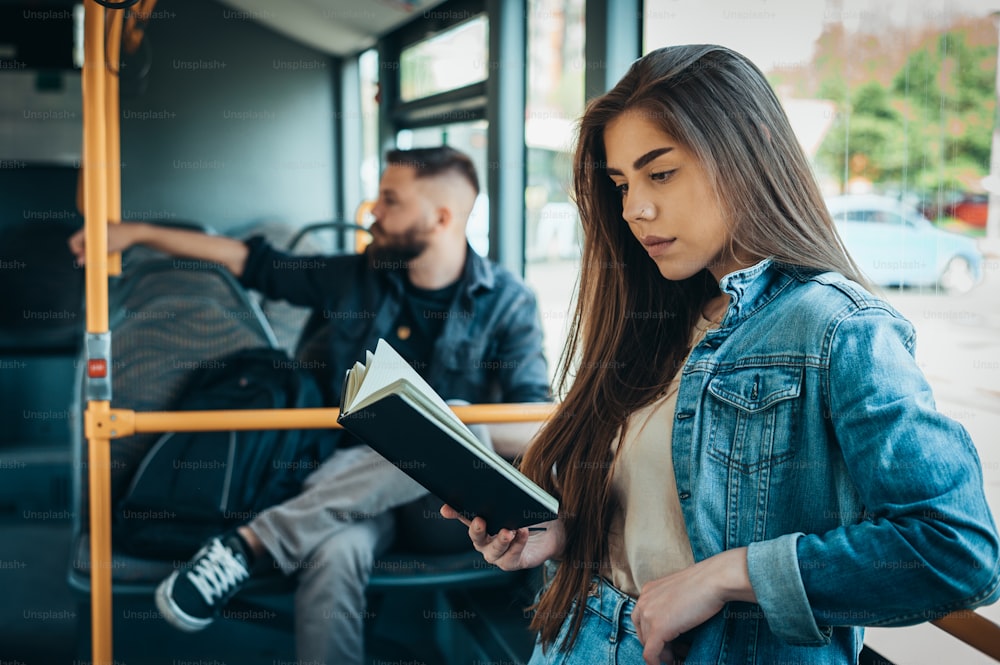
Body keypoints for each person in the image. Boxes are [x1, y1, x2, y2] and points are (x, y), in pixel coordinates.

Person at [442, 45, 1000, 665]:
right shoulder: (657, 318)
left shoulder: (837, 328)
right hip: (579, 640)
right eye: (623, 184)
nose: (634, 209)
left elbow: (955, 550)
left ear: (749, 148)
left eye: (661, 174)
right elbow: (656, 514)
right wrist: (560, 531)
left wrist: (728, 575)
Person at [70, 146, 551, 664]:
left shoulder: (508, 301)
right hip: (339, 489)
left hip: (445, 509)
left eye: (389, 200)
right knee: (335, 552)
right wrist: (138, 234)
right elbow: (250, 262)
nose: (372, 213)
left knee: (452, 422)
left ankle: (250, 544)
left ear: (440, 217)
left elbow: (534, 424)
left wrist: (446, 422)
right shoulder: (356, 278)